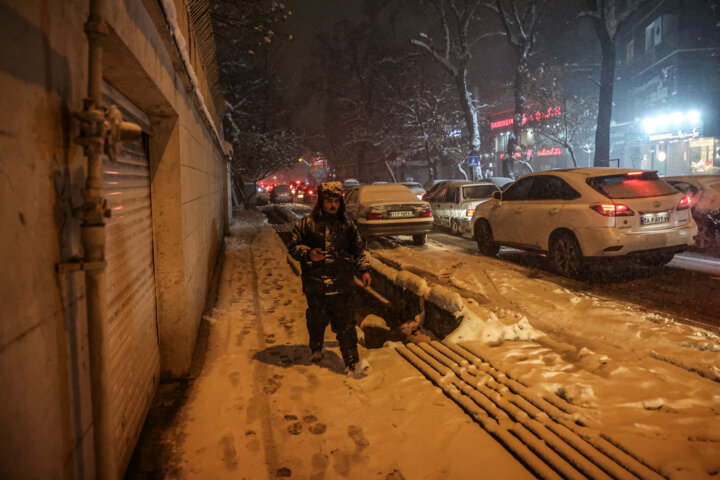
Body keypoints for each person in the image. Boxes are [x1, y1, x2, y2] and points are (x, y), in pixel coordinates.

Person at [287, 181, 372, 376]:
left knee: (346, 325)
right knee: (316, 320)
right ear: (321, 202)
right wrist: (309, 253)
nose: (333, 205)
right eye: (329, 201)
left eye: (336, 201)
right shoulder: (306, 225)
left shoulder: (347, 226)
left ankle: (352, 363)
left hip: (342, 284)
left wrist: (364, 270)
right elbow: (293, 246)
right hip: (315, 285)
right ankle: (316, 346)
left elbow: (358, 250)